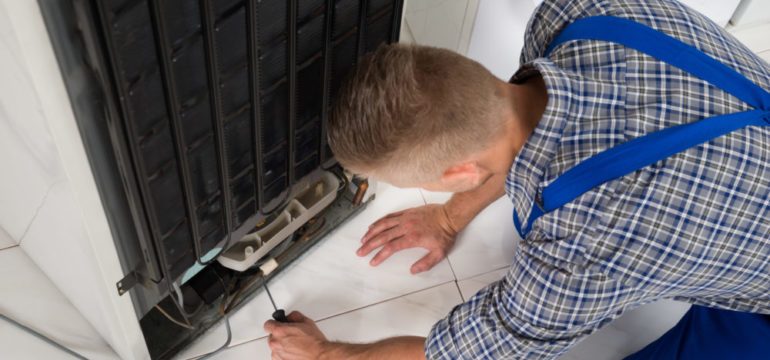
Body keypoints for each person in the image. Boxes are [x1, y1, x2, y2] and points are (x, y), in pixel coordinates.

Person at [264, 0, 770, 358]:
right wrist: (446, 216)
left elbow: (467, 355)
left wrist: (325, 356)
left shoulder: (583, 248)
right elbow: (507, 130)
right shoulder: (581, 13)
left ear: (460, 172)